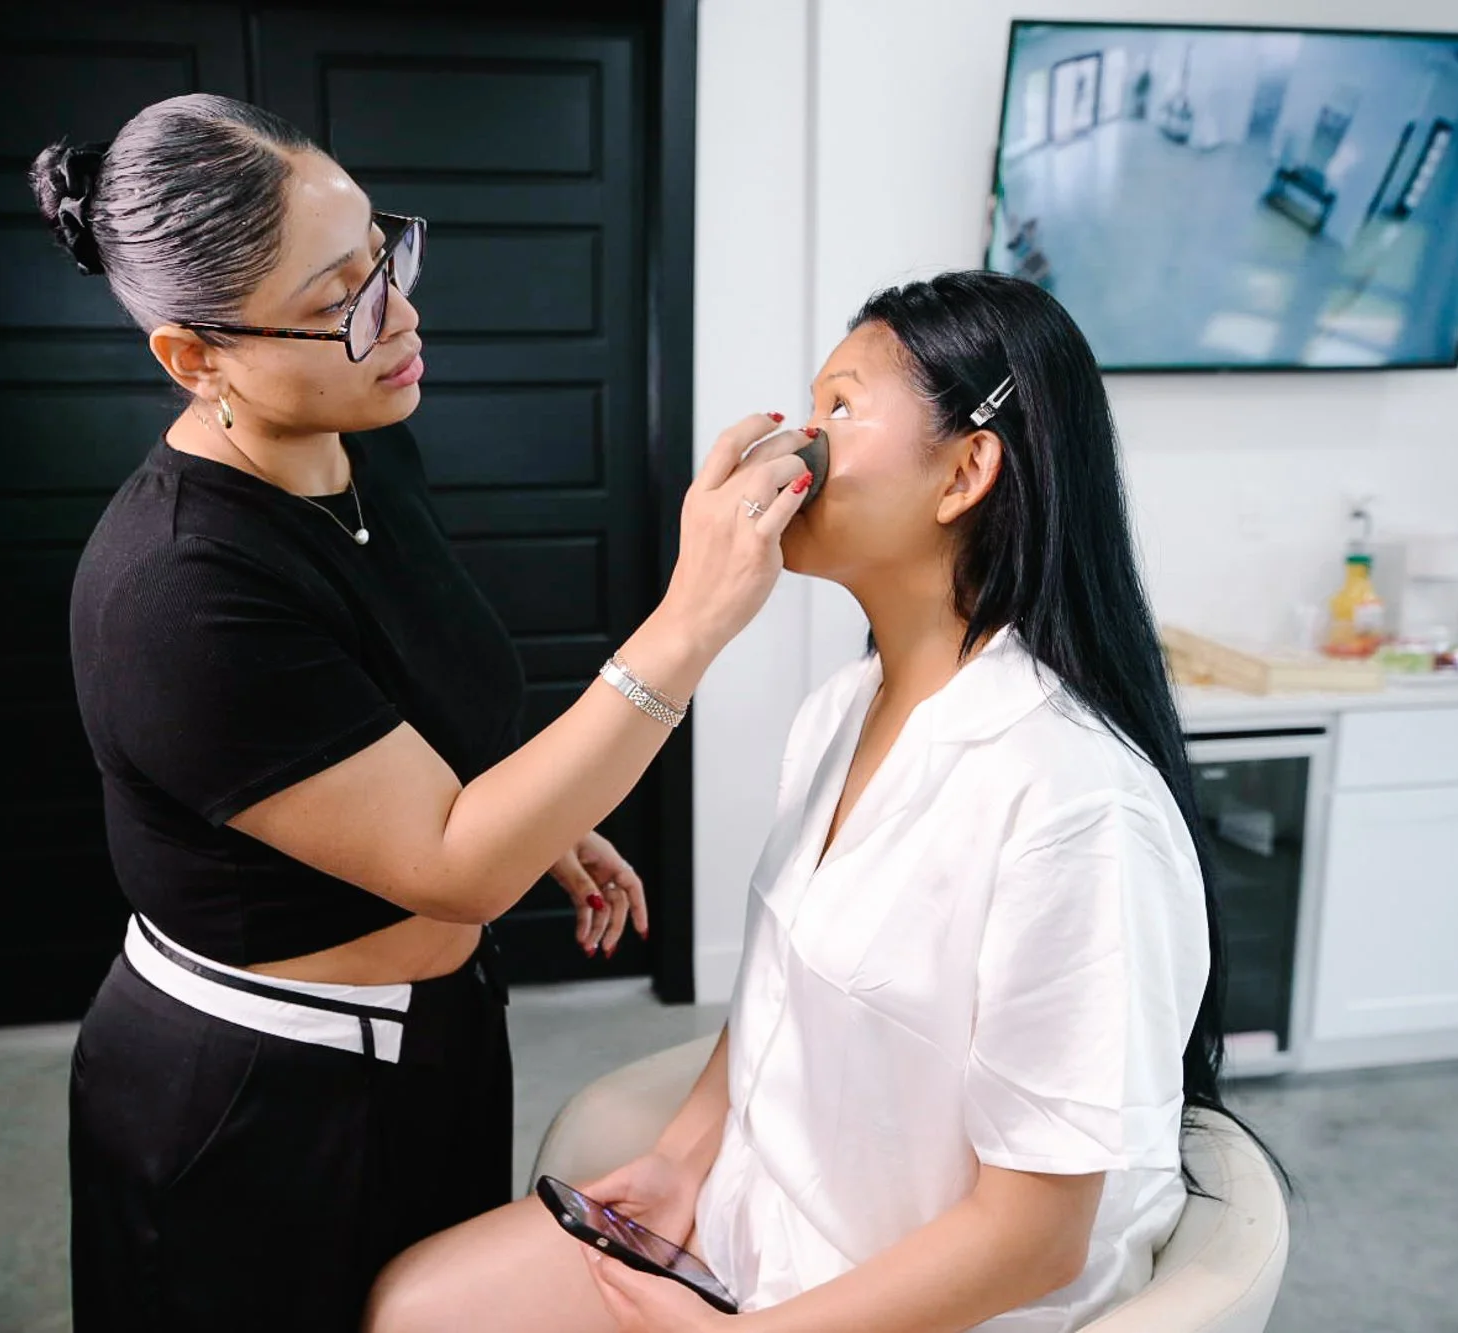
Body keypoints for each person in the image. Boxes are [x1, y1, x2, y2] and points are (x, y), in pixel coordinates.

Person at [35, 94, 817, 1332]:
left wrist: (525, 807)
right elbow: (453, 863)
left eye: (383, 258)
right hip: (254, 1091)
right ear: (195, 357)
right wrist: (692, 620)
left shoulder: (361, 435)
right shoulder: (174, 590)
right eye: (338, 301)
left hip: (435, 1030)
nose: (398, 315)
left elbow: (406, 699)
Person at [366, 271, 1266, 1333]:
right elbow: (778, 993)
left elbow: (1033, 1236)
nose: (797, 440)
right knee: (410, 1302)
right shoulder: (843, 708)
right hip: (762, 1232)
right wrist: (678, 1159)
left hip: (909, 1303)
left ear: (966, 470)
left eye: (839, 407)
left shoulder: (1071, 804)